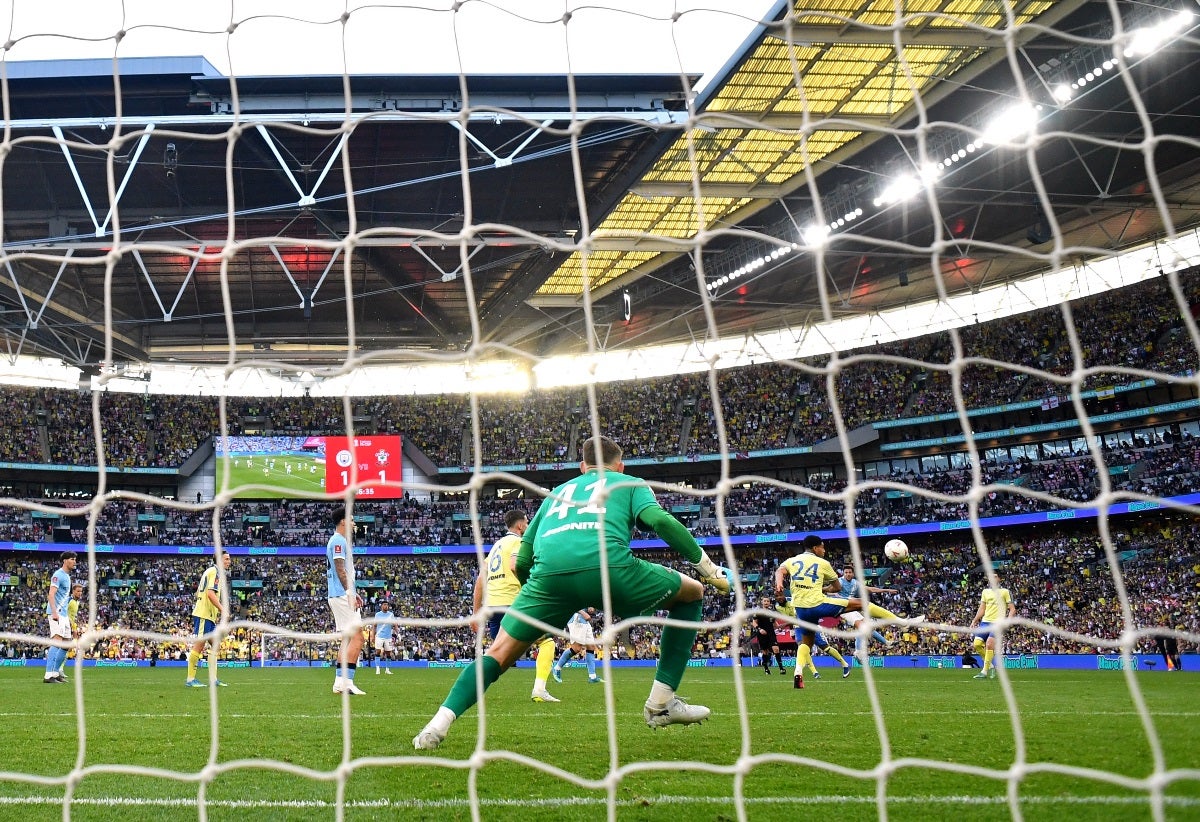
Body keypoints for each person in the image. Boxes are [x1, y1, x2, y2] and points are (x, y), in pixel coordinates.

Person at [414, 435, 731, 751]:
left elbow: (522, 561)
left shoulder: (556, 495)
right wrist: (710, 569)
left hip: (547, 581)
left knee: (496, 655)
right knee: (693, 593)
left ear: (583, 467)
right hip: (611, 568)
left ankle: (436, 726)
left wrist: (541, 600)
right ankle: (661, 704)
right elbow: (660, 521)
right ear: (619, 465)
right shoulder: (629, 482)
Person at [775, 535, 919, 690]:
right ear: (816, 548)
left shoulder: (792, 560)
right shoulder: (823, 563)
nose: (824, 550)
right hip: (817, 603)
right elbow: (836, 588)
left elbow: (780, 571)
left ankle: (798, 672)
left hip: (801, 609)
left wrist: (779, 583)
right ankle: (903, 623)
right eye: (822, 547)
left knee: (806, 643)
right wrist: (823, 588)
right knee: (863, 603)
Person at [473, 509, 559, 702]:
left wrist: (476, 611)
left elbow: (481, 579)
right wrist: (529, 588)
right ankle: (539, 690)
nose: (528, 526)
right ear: (520, 525)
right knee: (547, 642)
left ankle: (472, 686)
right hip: (512, 602)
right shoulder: (517, 542)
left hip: (493, 607)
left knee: (499, 658)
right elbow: (514, 565)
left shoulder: (496, 546)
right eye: (527, 523)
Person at [327, 510, 366, 695]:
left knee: (347, 638)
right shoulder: (338, 541)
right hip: (342, 595)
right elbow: (340, 569)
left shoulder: (338, 541)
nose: (353, 523)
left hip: (339, 594)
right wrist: (350, 592)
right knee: (359, 637)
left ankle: (338, 682)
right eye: (351, 520)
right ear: (342, 521)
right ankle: (347, 682)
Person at [186, 549, 230, 687]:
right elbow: (210, 593)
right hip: (204, 615)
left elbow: (199, 592)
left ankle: (213, 679)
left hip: (208, 615)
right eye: (226, 559)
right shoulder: (215, 572)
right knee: (199, 646)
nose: (229, 561)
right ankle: (190, 679)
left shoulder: (210, 572)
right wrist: (223, 610)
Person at [837, 566, 897, 658]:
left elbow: (871, 589)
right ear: (843, 573)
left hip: (853, 607)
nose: (848, 574)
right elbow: (830, 589)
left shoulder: (855, 583)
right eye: (846, 572)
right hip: (844, 608)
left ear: (853, 574)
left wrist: (887, 590)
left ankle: (886, 643)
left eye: (849, 572)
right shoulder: (839, 582)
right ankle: (858, 651)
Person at [969, 571, 1016, 680]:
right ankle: (990, 666)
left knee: (989, 644)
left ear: (1000, 579)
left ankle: (984, 672)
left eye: (995, 577)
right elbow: (982, 608)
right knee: (976, 644)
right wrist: (975, 620)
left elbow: (1012, 609)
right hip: (985, 622)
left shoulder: (1005, 592)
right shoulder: (985, 592)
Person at [44, 550, 76, 684]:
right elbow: (51, 594)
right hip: (56, 613)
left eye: (75, 559)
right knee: (57, 641)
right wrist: (55, 612)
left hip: (63, 614)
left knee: (66, 643)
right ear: (65, 560)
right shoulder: (58, 575)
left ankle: (56, 673)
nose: (74, 562)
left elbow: (63, 598)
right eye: (72, 559)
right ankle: (48, 675)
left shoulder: (67, 576)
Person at [552, 608, 603, 685]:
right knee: (576, 649)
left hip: (586, 621)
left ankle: (592, 677)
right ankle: (557, 668)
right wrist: (582, 611)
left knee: (591, 647)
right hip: (578, 619)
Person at [751, 597, 786, 675]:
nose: (766, 602)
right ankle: (766, 669)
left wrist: (787, 624)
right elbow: (754, 623)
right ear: (762, 602)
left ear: (770, 603)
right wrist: (759, 629)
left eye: (768, 601)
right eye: (765, 601)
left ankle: (781, 669)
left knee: (776, 649)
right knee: (765, 652)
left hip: (771, 634)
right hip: (761, 635)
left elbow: (776, 626)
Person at [57, 583, 84, 680]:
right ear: (73, 591)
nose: (80, 593)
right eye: (78, 591)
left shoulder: (77, 602)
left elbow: (73, 616)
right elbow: (62, 612)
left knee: (67, 648)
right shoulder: (69, 600)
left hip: (71, 626)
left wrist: (74, 626)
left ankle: (60, 669)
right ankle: (57, 669)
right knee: (63, 647)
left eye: (81, 591)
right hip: (64, 625)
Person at [372, 600, 396, 675]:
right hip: (379, 636)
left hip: (388, 636)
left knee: (389, 653)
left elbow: (394, 624)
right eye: (384, 605)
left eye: (387, 605)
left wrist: (396, 628)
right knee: (378, 651)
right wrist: (373, 635)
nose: (386, 606)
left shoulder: (391, 614)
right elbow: (374, 625)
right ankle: (378, 669)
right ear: (381, 606)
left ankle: (387, 669)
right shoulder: (378, 615)